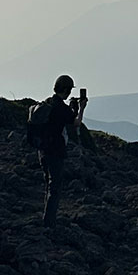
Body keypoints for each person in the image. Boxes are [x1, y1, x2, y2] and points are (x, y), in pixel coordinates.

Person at [29, 73, 84, 228]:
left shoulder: (47, 103)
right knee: (55, 188)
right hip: (55, 151)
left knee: (48, 184)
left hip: (42, 150)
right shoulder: (61, 108)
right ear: (66, 90)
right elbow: (76, 123)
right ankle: (49, 223)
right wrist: (81, 109)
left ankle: (47, 218)